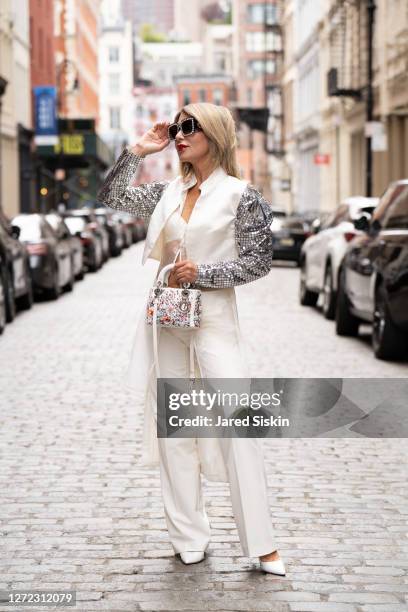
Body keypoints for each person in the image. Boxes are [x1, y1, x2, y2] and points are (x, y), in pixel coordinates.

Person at [97, 103, 286, 575]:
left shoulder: (243, 196)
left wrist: (205, 272)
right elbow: (112, 195)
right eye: (177, 127)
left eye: (189, 127)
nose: (180, 135)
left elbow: (259, 262)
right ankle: (188, 535)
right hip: (168, 316)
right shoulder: (168, 192)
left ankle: (262, 545)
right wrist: (138, 150)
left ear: (215, 134)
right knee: (174, 425)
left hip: (215, 319)